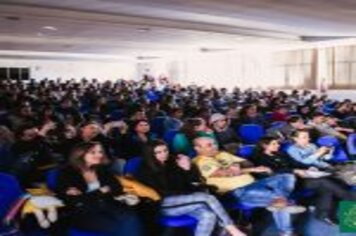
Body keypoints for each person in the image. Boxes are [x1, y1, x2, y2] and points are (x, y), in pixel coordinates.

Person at [193, 137, 305, 236]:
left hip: (254, 183)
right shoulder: (200, 161)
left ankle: (281, 200)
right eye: (209, 145)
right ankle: (286, 231)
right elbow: (223, 173)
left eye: (214, 143)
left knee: (287, 176)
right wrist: (248, 169)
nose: (214, 146)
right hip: (237, 191)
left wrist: (237, 165)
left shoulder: (222, 154)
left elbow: (248, 162)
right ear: (197, 148)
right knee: (277, 198)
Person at [136, 140, 245, 236]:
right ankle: (232, 229)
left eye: (165, 150)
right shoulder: (144, 170)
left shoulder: (173, 162)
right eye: (158, 152)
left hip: (184, 201)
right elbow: (159, 193)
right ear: (150, 154)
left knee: (208, 214)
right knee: (207, 198)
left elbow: (190, 182)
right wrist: (187, 194)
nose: (164, 154)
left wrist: (187, 169)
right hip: (163, 204)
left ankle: (228, 229)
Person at [253, 136, 356, 225]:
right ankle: (350, 199)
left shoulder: (281, 154)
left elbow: (296, 163)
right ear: (265, 146)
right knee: (324, 182)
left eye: (277, 143)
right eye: (274, 144)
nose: (278, 145)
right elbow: (272, 173)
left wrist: (309, 168)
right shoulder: (260, 158)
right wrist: (294, 171)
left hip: (301, 177)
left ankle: (322, 215)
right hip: (287, 183)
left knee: (327, 187)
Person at [56, 142, 143, 236]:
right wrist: (101, 191)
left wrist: (94, 194)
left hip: (109, 205)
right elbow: (75, 201)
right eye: (93, 152)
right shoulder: (67, 173)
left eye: (100, 152)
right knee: (119, 227)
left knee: (133, 219)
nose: (99, 155)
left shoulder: (102, 169)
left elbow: (117, 188)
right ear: (80, 154)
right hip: (84, 213)